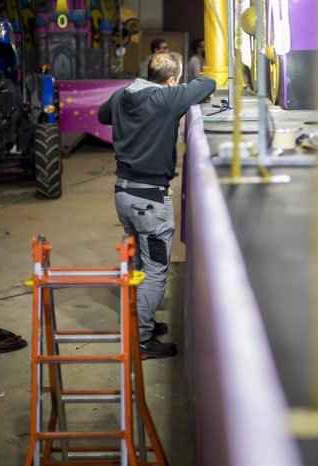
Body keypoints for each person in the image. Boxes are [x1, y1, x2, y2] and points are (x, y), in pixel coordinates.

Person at [98, 52, 216, 359]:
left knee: (140, 261)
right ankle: (143, 340)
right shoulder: (167, 99)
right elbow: (209, 83)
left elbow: (103, 115)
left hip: (123, 193)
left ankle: (143, 321)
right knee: (154, 269)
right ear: (173, 80)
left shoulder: (124, 94)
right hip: (149, 200)